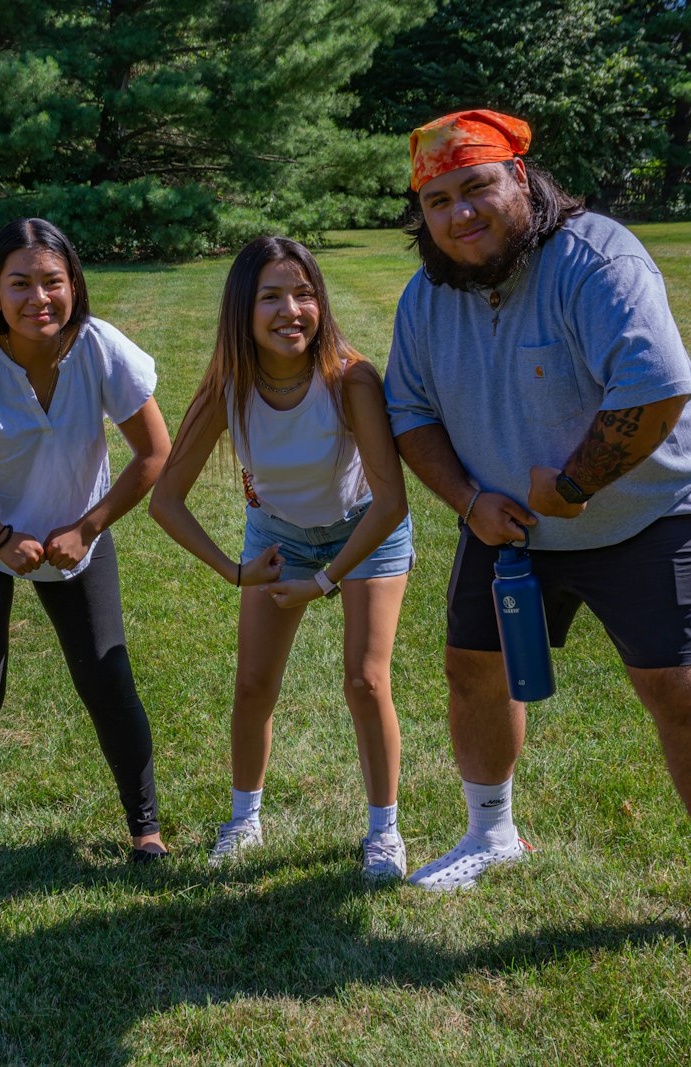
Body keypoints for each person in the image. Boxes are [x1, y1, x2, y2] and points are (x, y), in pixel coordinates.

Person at [383, 109, 691, 968]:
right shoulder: (426, 297)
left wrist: (569, 486)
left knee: (683, 690)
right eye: (437, 200)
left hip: (649, 510)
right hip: (507, 521)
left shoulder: (596, 258)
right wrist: (468, 499)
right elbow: (408, 412)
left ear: (520, 178)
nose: (459, 214)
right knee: (473, 670)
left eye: (476, 187)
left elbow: (651, 393)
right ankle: (492, 835)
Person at [150, 237, 415, 880]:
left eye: (303, 294)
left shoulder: (350, 379)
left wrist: (324, 581)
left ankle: (384, 830)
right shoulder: (225, 391)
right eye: (270, 296)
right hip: (278, 539)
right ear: (243, 310)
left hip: (364, 532)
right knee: (252, 684)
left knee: (366, 680)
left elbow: (391, 503)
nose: (290, 310)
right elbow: (166, 500)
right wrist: (234, 571)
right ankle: (243, 819)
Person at [0, 217, 172, 872]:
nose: (39, 298)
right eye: (20, 283)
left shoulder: (101, 347)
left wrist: (85, 527)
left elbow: (154, 453)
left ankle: (146, 830)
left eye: (53, 281)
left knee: (107, 676)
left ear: (75, 284)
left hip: (73, 537)